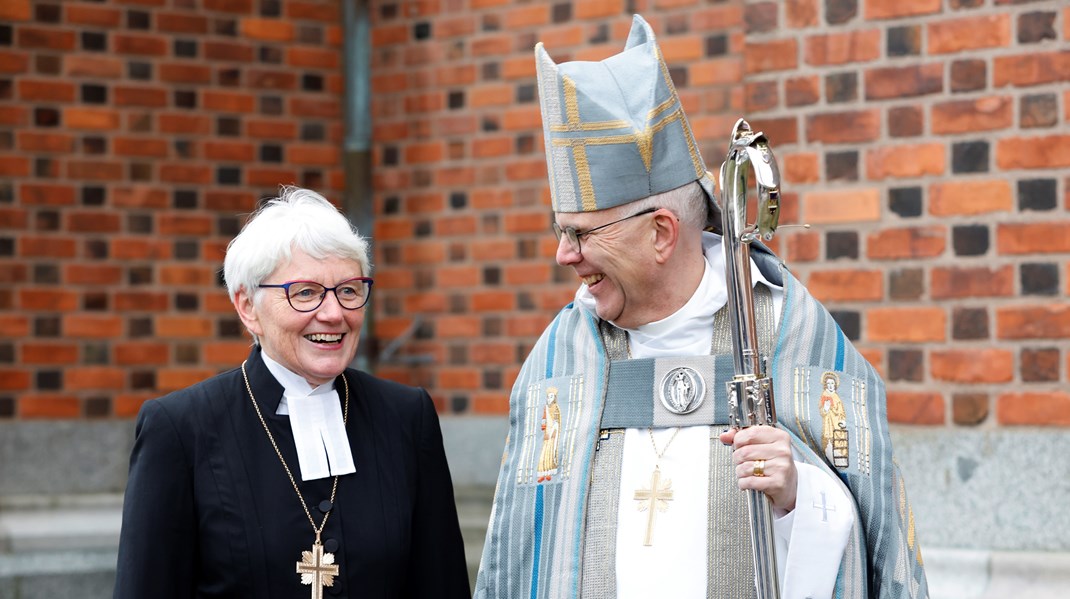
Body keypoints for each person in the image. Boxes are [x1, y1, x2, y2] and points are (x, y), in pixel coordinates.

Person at [473, 15, 928, 599]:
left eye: (582, 234)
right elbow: (517, 554)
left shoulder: (783, 332)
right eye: (560, 231)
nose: (564, 255)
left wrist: (796, 497)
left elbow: (869, 538)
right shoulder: (562, 357)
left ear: (662, 233)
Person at [113, 186, 471, 598]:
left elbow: (441, 583)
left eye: (349, 290)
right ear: (247, 306)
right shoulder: (181, 429)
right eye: (305, 292)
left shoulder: (407, 416)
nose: (334, 313)